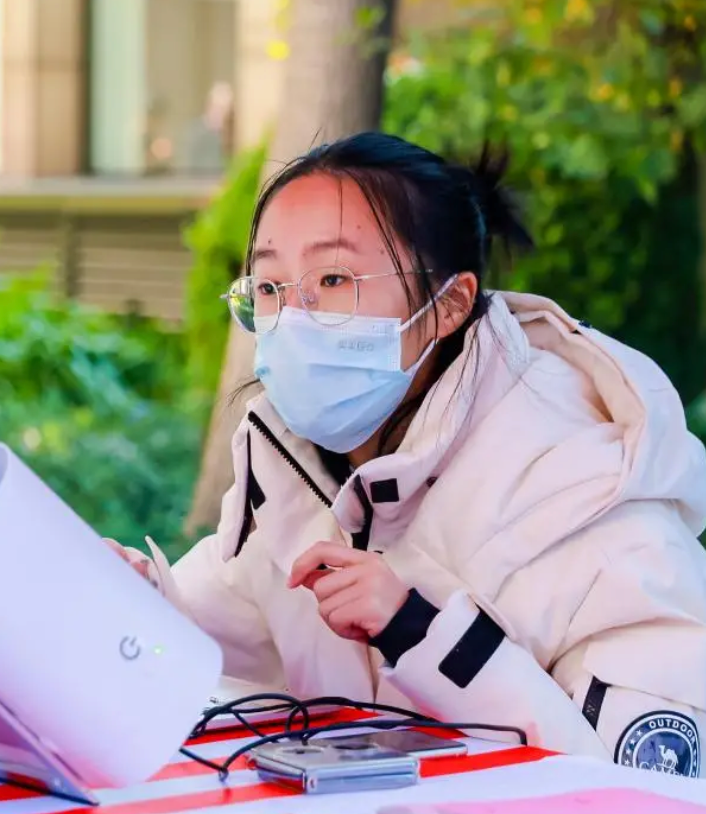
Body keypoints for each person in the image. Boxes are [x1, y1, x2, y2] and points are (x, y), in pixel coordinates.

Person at [115, 132, 706, 777]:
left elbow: (651, 794)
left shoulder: (588, 494)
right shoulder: (293, 465)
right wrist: (132, 598)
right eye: (270, 286)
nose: (291, 319)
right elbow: (219, 631)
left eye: (332, 279)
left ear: (448, 304)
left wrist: (419, 630)